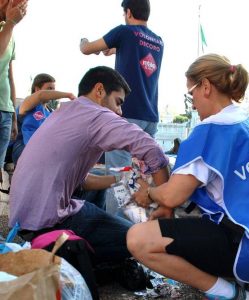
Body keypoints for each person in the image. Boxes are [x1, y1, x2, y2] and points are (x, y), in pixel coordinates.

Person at [127, 54, 249, 300]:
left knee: (138, 239)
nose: (192, 104)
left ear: (205, 86)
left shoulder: (211, 130)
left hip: (248, 245)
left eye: (190, 94)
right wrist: (167, 205)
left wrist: (148, 193)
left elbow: (172, 194)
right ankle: (247, 282)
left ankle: (228, 293)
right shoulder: (246, 123)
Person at [9, 66, 169, 264]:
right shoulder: (96, 115)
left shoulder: (65, 111)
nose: (120, 112)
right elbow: (153, 150)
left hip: (23, 222)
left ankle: (88, 240)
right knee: (143, 241)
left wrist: (122, 178)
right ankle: (81, 253)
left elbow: (81, 181)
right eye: (118, 102)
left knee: (98, 188)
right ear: (99, 90)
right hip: (48, 223)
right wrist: (166, 205)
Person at [80, 0, 164, 172]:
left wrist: (84, 41)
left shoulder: (124, 32)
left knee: (119, 175)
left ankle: (117, 201)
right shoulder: (158, 41)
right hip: (150, 117)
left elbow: (87, 49)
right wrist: (114, 48)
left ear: (129, 13)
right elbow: (136, 51)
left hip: (126, 113)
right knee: (143, 174)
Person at [11, 73, 75, 164]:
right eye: (49, 89)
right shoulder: (27, 104)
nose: (53, 92)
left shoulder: (52, 112)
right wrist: (69, 95)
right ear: (37, 89)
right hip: (24, 148)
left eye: (54, 89)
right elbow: (40, 95)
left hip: (45, 150)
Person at [0, 0, 27, 186]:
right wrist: (10, 23)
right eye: (21, 3)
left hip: (6, 111)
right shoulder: (7, 28)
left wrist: (14, 115)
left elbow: (9, 74)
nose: (22, 10)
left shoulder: (11, 34)